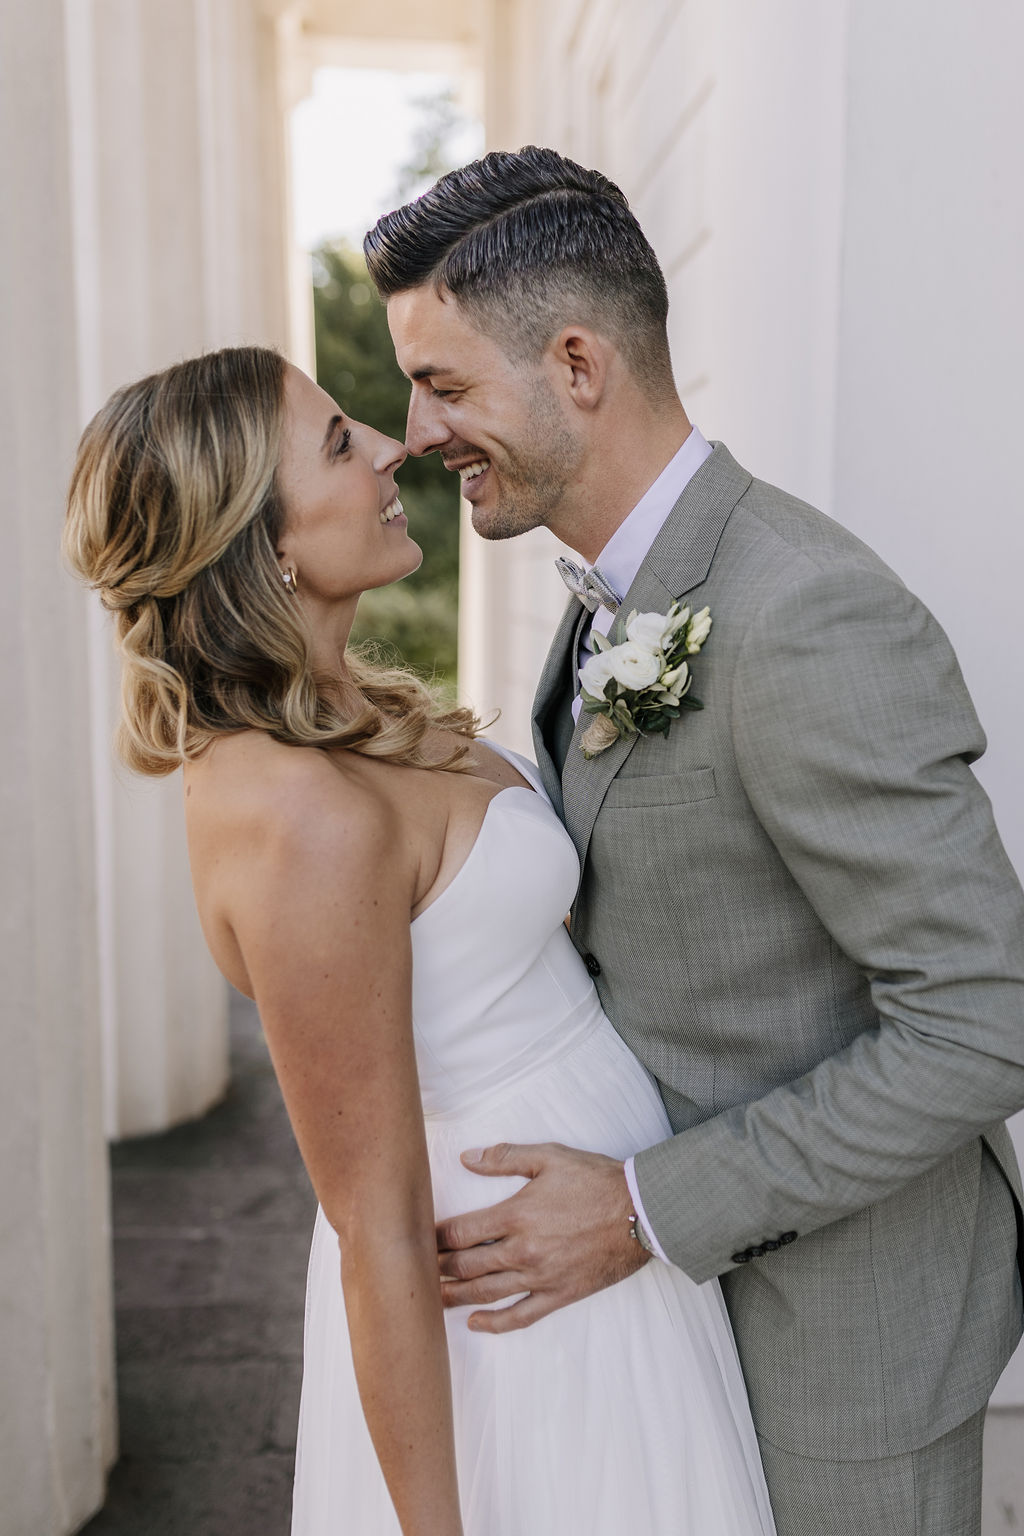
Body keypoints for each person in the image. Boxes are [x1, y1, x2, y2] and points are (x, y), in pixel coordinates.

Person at [365, 145, 1024, 1535]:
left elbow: (986, 1020)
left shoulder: (805, 613)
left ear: (577, 364)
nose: (417, 432)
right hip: (668, 1328)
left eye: (444, 385)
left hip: (841, 1342)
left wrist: (643, 1207)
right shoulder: (610, 593)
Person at [63, 346, 777, 1535]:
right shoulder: (295, 813)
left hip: (600, 1249)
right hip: (511, 1312)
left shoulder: (351, 713)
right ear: (262, 544)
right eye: (339, 443)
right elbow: (376, 1227)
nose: (394, 447)